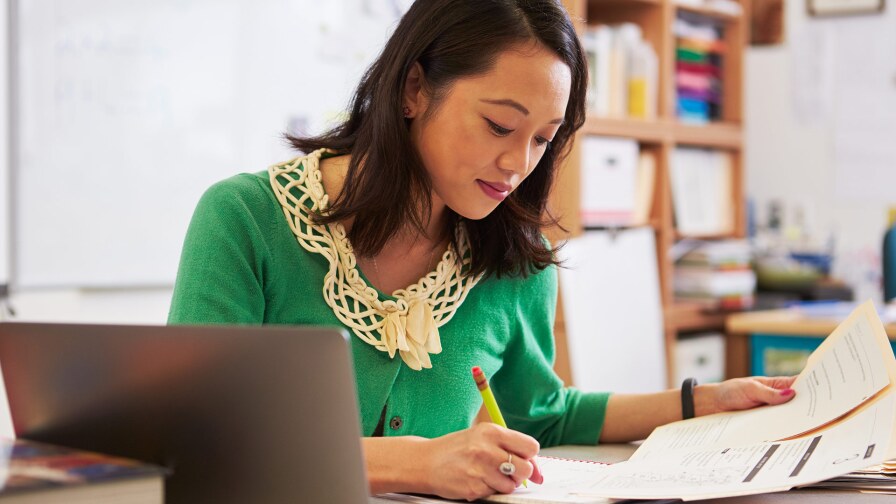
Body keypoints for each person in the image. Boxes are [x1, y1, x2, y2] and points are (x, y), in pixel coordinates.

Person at [168, 0, 796, 500]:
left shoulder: (513, 262)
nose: (517, 164)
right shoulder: (246, 220)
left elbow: (542, 416)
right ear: (414, 89)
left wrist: (704, 402)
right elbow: (203, 437)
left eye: (543, 140)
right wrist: (415, 463)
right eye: (499, 125)